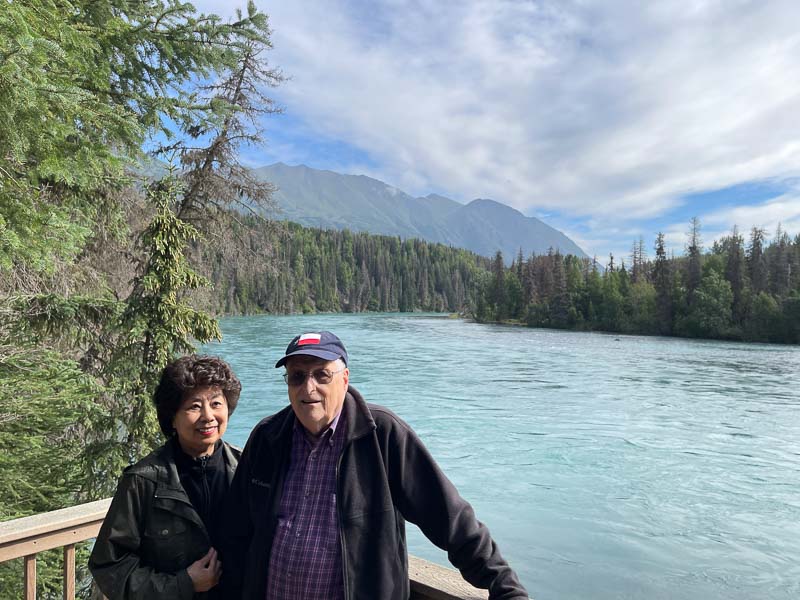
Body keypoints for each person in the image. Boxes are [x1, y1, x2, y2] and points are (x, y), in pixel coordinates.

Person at [222, 331, 529, 599]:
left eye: (321, 374)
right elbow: (236, 528)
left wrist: (503, 584)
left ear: (344, 379)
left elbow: (449, 518)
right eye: (297, 376)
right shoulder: (268, 436)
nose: (308, 387)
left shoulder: (383, 436)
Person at [90, 355, 242, 600]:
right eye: (194, 406)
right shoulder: (144, 480)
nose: (208, 416)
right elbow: (109, 566)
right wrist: (184, 584)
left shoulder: (246, 468)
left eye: (216, 403)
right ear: (172, 416)